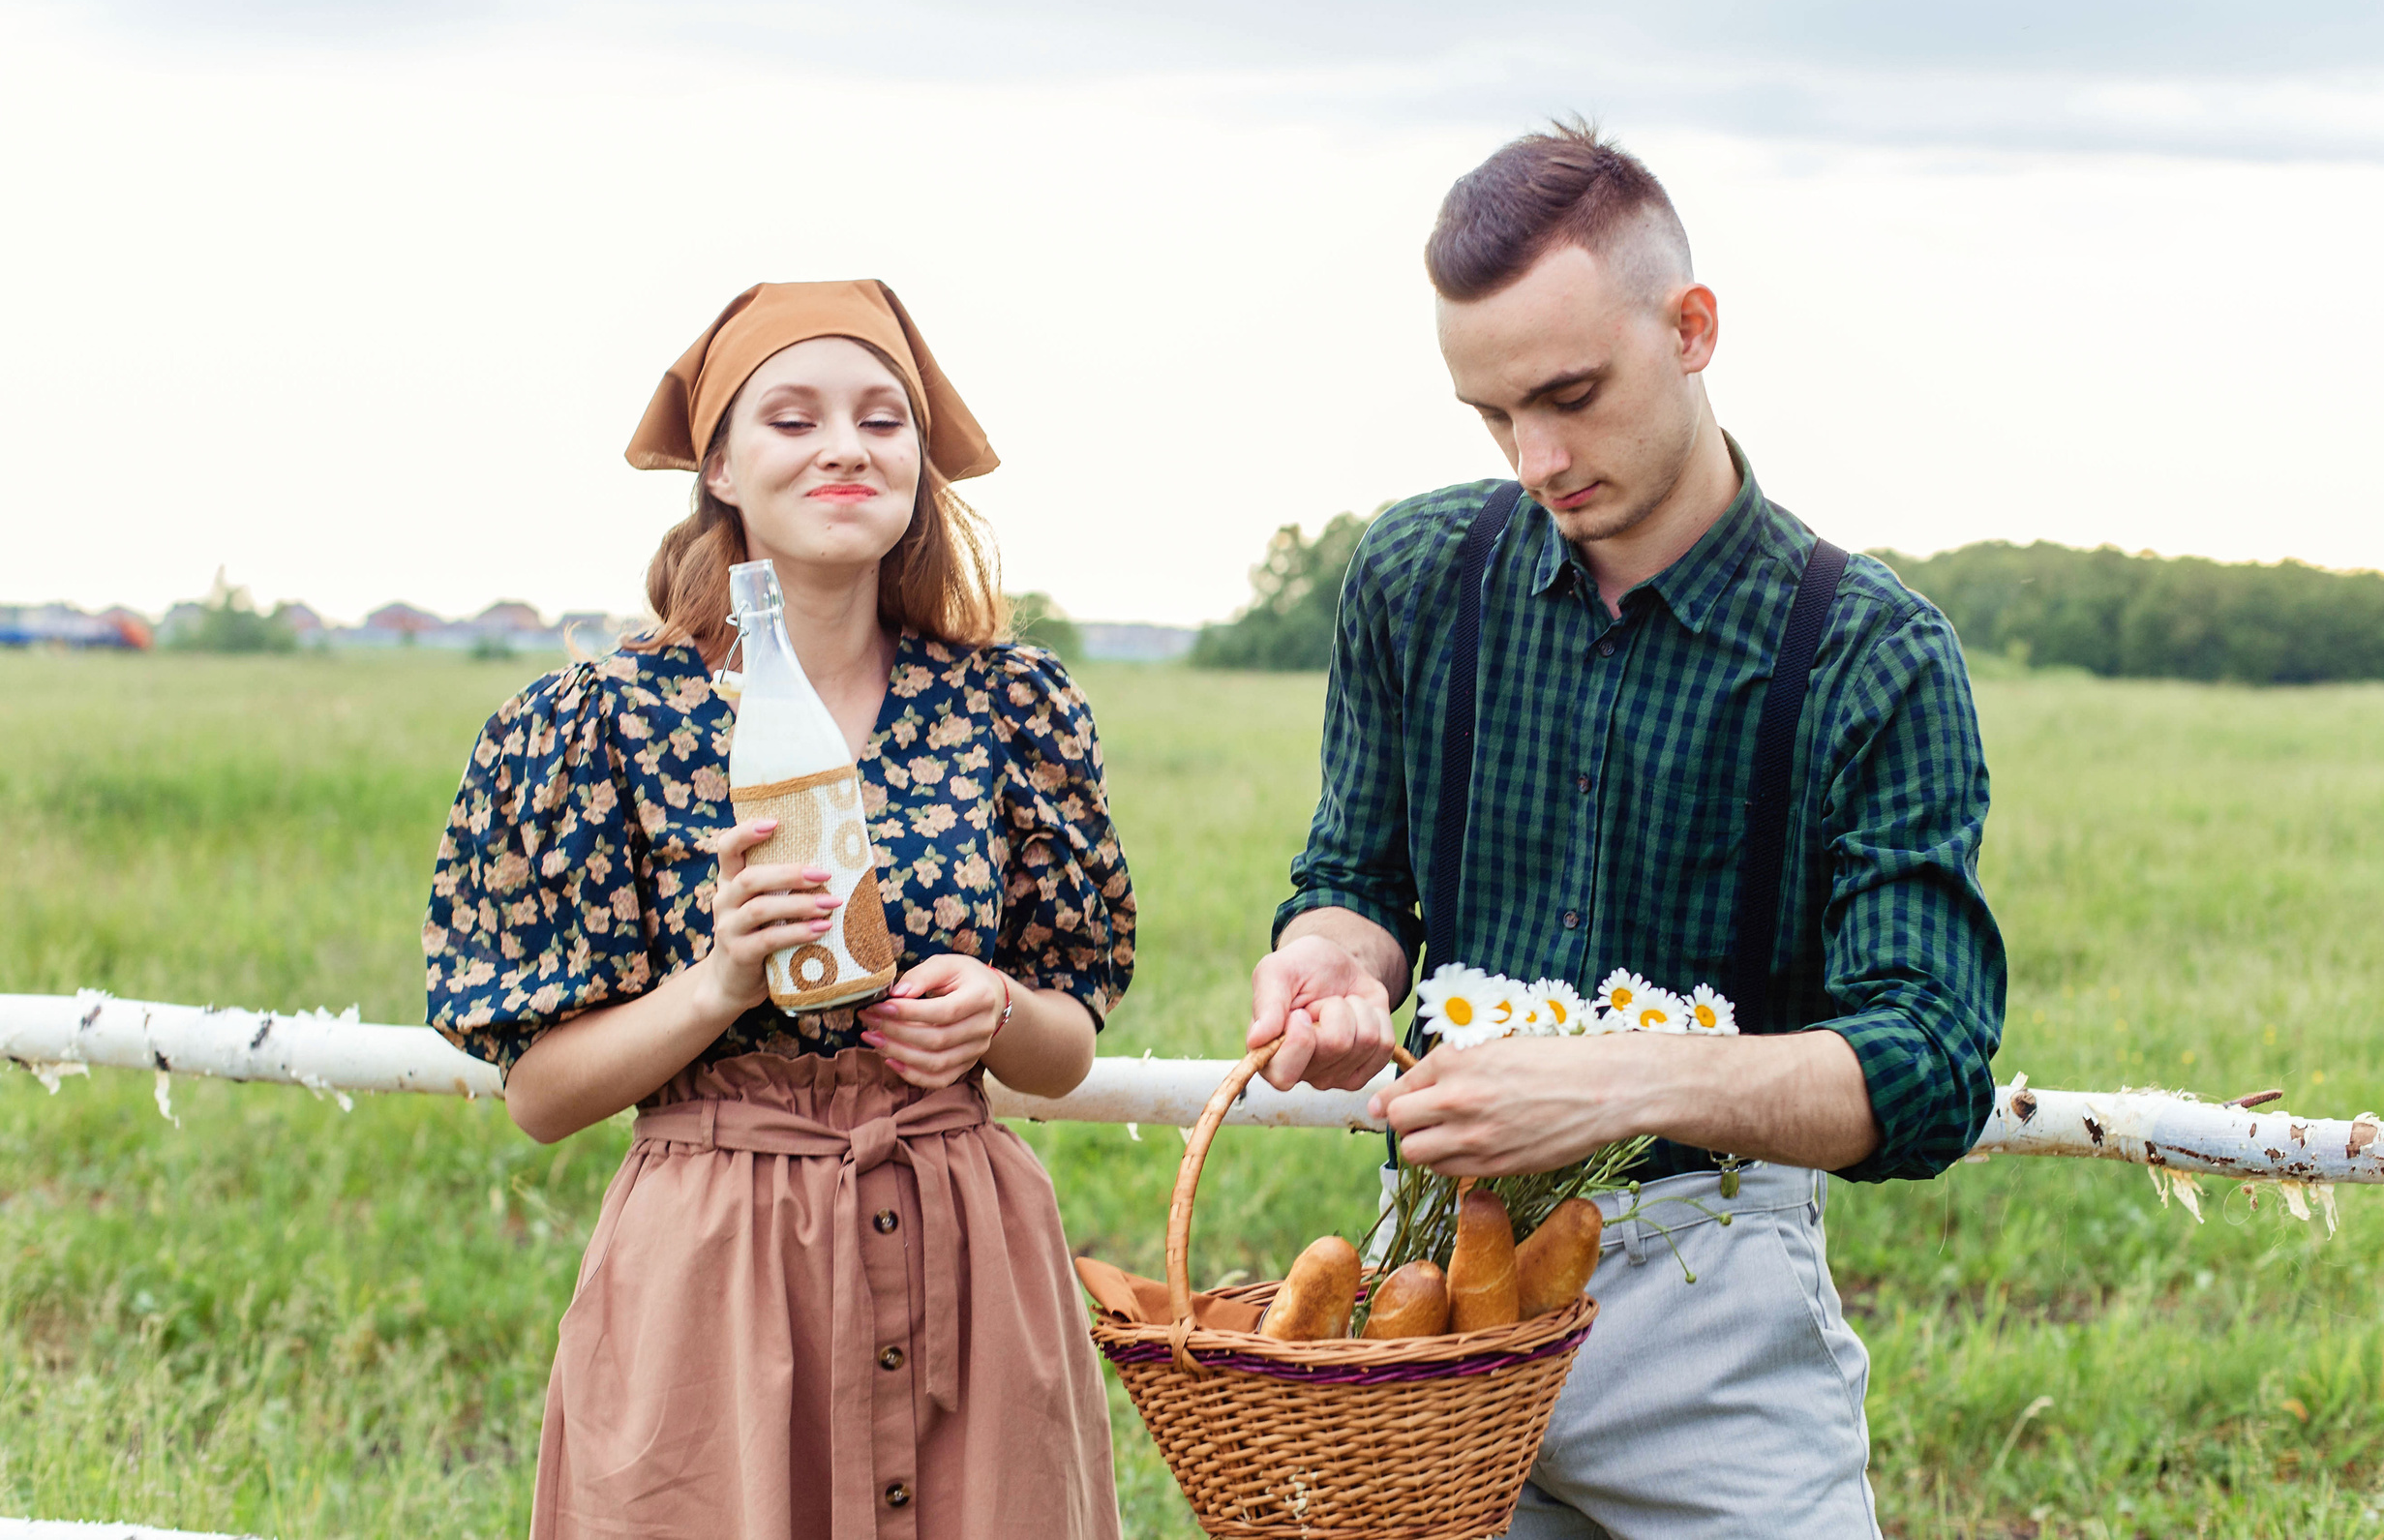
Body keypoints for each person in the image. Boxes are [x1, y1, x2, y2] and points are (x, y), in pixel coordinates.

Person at [1245, 125, 2006, 1537]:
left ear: (1693, 327)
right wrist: (1334, 960)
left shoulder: (1870, 653)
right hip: (1434, 1293)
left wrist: (1618, 1086)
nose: (1537, 457)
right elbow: (1358, 881)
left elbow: (1931, 1065)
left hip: (1718, 1313)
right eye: (1491, 416)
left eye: (1571, 395)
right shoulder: (1416, 577)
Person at [425, 281, 1132, 1540]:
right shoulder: (599, 724)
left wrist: (999, 1012)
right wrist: (717, 986)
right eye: (792, 420)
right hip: (715, 1276)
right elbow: (541, 1098)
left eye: (881, 419)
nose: (845, 447)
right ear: (722, 472)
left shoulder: (1011, 707)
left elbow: (1068, 1048)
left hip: (966, 1246)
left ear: (921, 463)